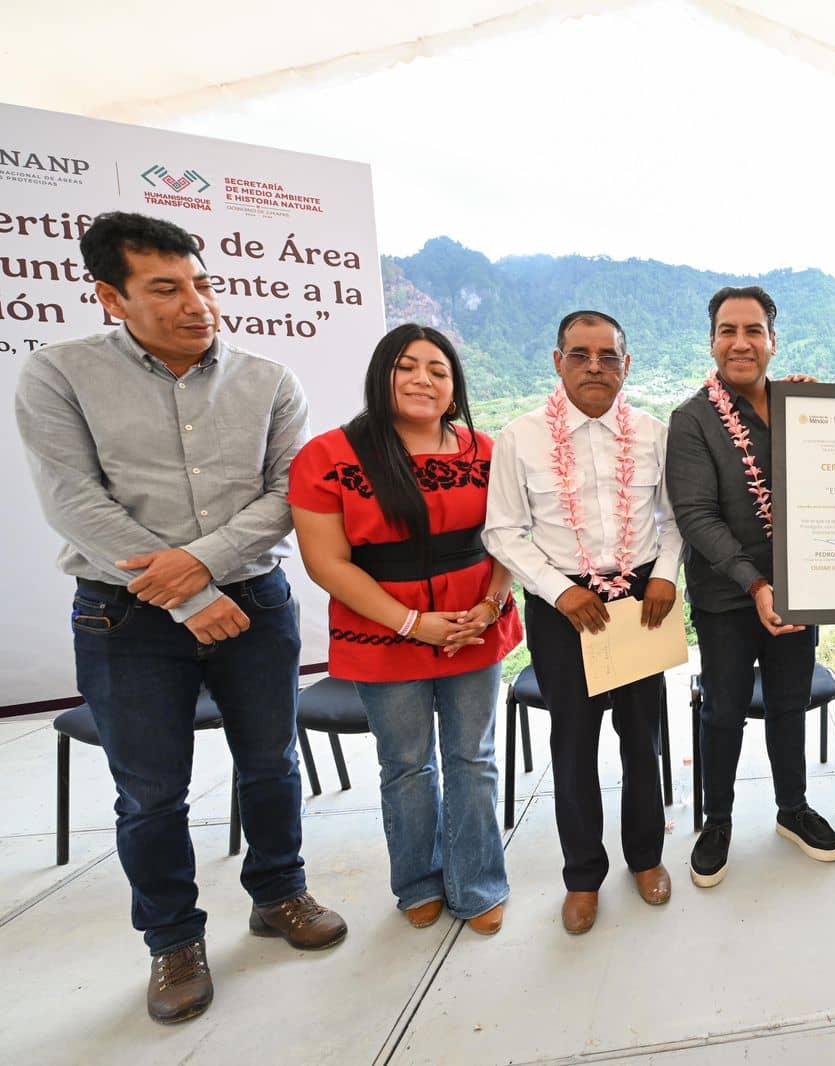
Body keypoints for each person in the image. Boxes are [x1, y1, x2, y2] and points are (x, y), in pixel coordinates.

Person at [14, 211, 345, 1025]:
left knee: (269, 762)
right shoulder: (58, 375)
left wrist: (203, 565)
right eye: (165, 288)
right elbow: (74, 502)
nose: (195, 303)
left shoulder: (269, 379)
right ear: (111, 296)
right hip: (122, 617)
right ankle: (173, 940)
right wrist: (190, 594)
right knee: (152, 792)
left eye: (200, 283)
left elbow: (283, 498)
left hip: (255, 605)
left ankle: (280, 893)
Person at [290, 323, 519, 937]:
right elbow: (327, 563)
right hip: (382, 629)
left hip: (475, 624)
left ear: (455, 385)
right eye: (407, 366)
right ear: (381, 375)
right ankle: (417, 880)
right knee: (406, 764)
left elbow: (505, 540)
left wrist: (492, 606)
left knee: (473, 758)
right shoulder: (329, 457)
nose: (424, 379)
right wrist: (414, 624)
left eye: (438, 370)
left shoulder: (486, 451)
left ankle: (479, 883)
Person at [484, 310, 681, 935]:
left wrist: (666, 576)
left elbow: (675, 520)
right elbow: (503, 531)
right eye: (580, 354)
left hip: (640, 602)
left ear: (627, 363)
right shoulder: (522, 436)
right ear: (557, 360)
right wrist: (558, 592)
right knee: (572, 748)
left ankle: (646, 858)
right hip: (561, 608)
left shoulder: (654, 432)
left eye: (608, 355)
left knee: (642, 739)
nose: (595, 366)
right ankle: (583, 877)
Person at [665, 286, 835, 889]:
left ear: (772, 339)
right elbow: (696, 515)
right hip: (726, 598)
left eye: (753, 330)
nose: (740, 342)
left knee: (790, 701)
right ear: (712, 340)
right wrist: (756, 583)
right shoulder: (691, 420)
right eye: (726, 330)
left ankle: (792, 808)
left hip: (801, 588)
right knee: (724, 711)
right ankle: (717, 821)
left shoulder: (801, 405)